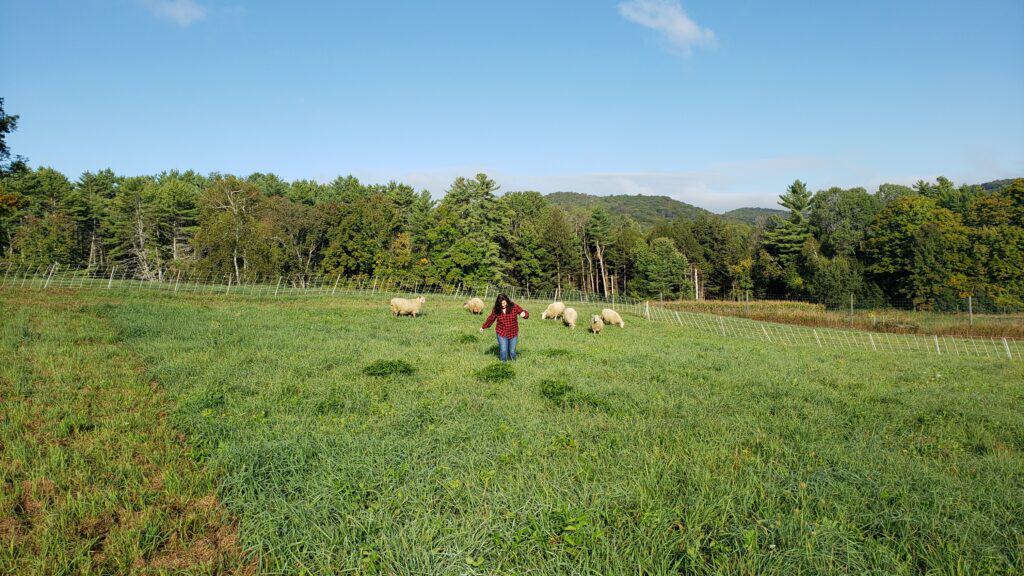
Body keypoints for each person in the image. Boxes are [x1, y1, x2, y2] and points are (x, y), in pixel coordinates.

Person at [480, 293, 529, 362]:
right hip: (501, 332)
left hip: (513, 332)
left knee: (512, 351)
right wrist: (483, 327)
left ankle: (514, 362)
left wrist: (524, 314)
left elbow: (524, 313)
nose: (503, 305)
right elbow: (491, 318)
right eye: (501, 303)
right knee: (503, 350)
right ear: (498, 303)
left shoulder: (514, 306)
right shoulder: (496, 309)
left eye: (504, 303)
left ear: (507, 300)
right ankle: (503, 364)